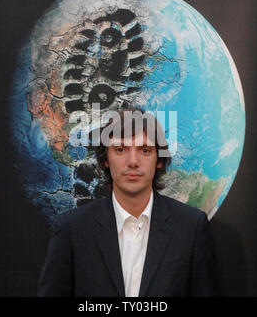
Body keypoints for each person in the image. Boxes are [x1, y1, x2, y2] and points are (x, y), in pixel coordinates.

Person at [37, 108, 215, 297]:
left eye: (145, 150)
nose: (133, 161)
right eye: (120, 150)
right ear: (106, 159)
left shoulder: (190, 227)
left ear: (159, 160)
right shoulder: (72, 229)